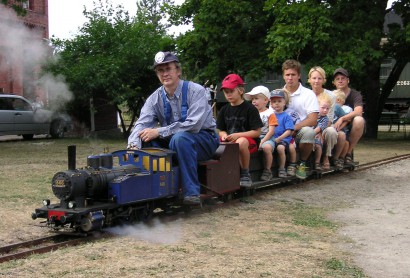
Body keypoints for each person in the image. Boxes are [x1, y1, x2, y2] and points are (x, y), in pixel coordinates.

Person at [127, 51, 220, 205]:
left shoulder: (196, 91)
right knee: (145, 140)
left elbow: (194, 124)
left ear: (178, 71)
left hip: (204, 139)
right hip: (175, 141)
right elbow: (141, 124)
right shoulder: (155, 98)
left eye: (168, 69)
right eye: (160, 71)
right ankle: (156, 190)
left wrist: (158, 131)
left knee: (180, 138)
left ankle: (191, 193)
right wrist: (132, 146)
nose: (165, 74)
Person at [217, 74, 263, 187]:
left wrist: (238, 135)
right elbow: (220, 129)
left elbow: (257, 132)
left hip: (249, 143)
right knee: (211, 139)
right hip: (230, 141)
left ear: (241, 90)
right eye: (226, 92)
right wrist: (223, 135)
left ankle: (245, 173)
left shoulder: (250, 109)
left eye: (231, 91)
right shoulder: (224, 109)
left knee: (241, 142)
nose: (228, 94)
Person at [282, 60, 318, 179]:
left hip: (300, 131)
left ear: (299, 76)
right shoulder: (278, 94)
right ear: (283, 76)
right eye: (287, 75)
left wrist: (294, 128)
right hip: (281, 132)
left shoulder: (308, 94)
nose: (290, 78)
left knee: (309, 131)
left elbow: (313, 119)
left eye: (293, 75)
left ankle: (302, 163)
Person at [307, 66, 346, 171]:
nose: (316, 81)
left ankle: (326, 157)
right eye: (314, 78)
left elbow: (329, 118)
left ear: (324, 80)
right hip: (311, 125)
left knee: (331, 131)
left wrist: (320, 130)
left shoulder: (331, 96)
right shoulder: (306, 95)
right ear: (309, 79)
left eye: (319, 78)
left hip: (325, 124)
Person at [332, 68, 365, 166]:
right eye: (337, 79)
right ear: (334, 82)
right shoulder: (330, 94)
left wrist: (343, 118)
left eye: (343, 78)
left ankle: (348, 153)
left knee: (359, 120)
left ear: (348, 80)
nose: (340, 80)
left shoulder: (355, 94)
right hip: (333, 124)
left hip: (350, 124)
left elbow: (359, 111)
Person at [245, 85, 277, 181]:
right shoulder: (250, 113)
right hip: (254, 136)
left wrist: (263, 141)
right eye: (252, 99)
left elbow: (271, 131)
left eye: (256, 98)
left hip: (267, 136)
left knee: (266, 148)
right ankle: (246, 171)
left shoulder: (270, 113)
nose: (253, 101)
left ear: (266, 100)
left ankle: (268, 170)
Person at [269, 89, 297, 178]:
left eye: (279, 101)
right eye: (274, 102)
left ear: (284, 103)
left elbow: (289, 131)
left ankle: (282, 168)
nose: (276, 103)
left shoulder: (286, 116)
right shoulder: (270, 115)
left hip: (284, 139)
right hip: (272, 138)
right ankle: (268, 169)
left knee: (280, 148)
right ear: (271, 104)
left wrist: (280, 138)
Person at [313, 93, 332, 170]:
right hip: (309, 134)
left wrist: (309, 134)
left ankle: (317, 162)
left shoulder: (325, 119)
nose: (325, 110)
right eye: (323, 108)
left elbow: (318, 129)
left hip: (316, 135)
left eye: (327, 109)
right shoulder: (312, 115)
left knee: (318, 145)